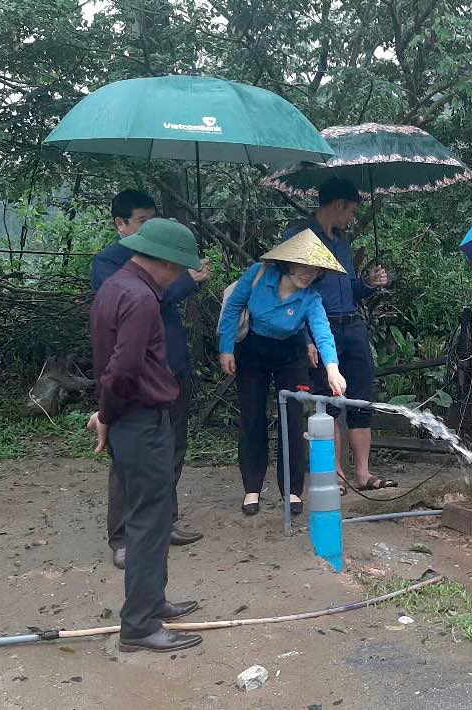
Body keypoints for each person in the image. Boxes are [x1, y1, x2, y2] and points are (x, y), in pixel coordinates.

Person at [86, 218, 203, 653]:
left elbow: (112, 366)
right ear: (167, 262)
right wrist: (108, 415)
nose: (178, 276)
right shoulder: (139, 299)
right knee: (149, 523)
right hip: (140, 419)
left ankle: (152, 602)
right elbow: (123, 370)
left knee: (148, 518)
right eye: (178, 268)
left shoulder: (115, 286)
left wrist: (108, 414)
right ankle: (139, 625)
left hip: (132, 418)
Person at [91, 190, 210, 570]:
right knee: (129, 461)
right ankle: (123, 536)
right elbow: (140, 308)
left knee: (171, 449)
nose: (150, 228)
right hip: (135, 385)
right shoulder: (110, 265)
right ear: (121, 225)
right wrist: (187, 281)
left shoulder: (155, 267)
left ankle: (163, 520)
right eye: (142, 221)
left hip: (171, 367)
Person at [218, 229, 348, 516]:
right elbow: (234, 306)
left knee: (291, 420)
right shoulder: (259, 274)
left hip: (291, 355)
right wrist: (226, 348)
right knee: (252, 417)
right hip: (253, 350)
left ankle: (292, 490)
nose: (308, 273)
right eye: (303, 266)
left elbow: (323, 332)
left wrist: (332, 368)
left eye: (314, 269)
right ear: (287, 263)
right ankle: (252, 488)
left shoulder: (311, 298)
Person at [282, 179, 393, 491]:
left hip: (352, 324)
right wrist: (304, 338)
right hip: (321, 327)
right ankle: (336, 475)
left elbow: (350, 291)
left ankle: (363, 473)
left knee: (361, 399)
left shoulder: (342, 241)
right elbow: (290, 292)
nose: (352, 218)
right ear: (338, 205)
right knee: (327, 403)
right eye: (352, 211)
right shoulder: (299, 237)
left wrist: (369, 283)